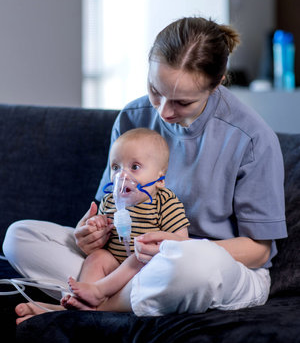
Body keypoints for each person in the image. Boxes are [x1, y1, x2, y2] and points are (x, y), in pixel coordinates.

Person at [3, 16, 287, 323]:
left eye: (181, 102)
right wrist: (92, 232)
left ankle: (85, 308)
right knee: (19, 237)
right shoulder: (133, 117)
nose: (163, 111)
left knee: (191, 268)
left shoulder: (251, 139)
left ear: (216, 84)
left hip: (211, 265)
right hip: (129, 260)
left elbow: (259, 250)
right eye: (155, 89)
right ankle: (110, 295)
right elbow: (109, 206)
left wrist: (180, 247)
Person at [61, 127, 189, 311]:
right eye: (116, 167)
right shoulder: (110, 200)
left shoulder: (165, 202)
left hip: (145, 272)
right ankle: (84, 301)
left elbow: (181, 244)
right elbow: (99, 237)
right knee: (97, 257)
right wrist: (95, 226)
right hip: (114, 267)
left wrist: (156, 245)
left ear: (160, 179)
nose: (122, 175)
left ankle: (97, 293)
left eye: (134, 167)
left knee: (140, 253)